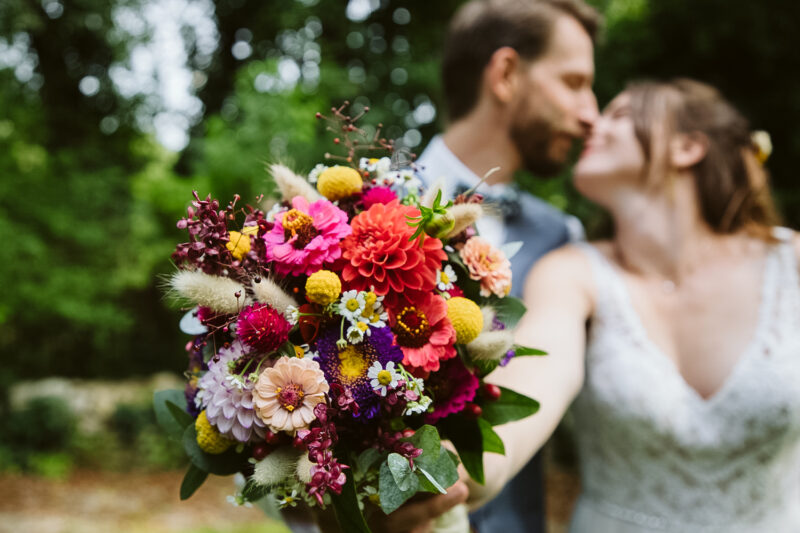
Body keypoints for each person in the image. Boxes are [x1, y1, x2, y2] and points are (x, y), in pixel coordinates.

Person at [473, 78, 800, 532]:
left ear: (687, 147)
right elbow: (532, 384)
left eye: (622, 115)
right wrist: (463, 472)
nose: (592, 124)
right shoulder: (570, 274)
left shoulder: (791, 263)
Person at [415, 1, 600, 529]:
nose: (591, 113)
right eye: (574, 82)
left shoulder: (563, 237)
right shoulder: (353, 210)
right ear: (506, 74)